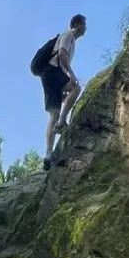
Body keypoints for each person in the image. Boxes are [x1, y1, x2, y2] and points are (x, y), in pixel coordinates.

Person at [41, 14, 87, 171]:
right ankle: (61, 123)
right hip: (54, 71)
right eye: (84, 24)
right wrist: (71, 74)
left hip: (47, 75)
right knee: (76, 88)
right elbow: (62, 54)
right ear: (77, 24)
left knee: (53, 114)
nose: (86, 28)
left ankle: (48, 156)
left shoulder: (70, 39)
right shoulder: (68, 35)